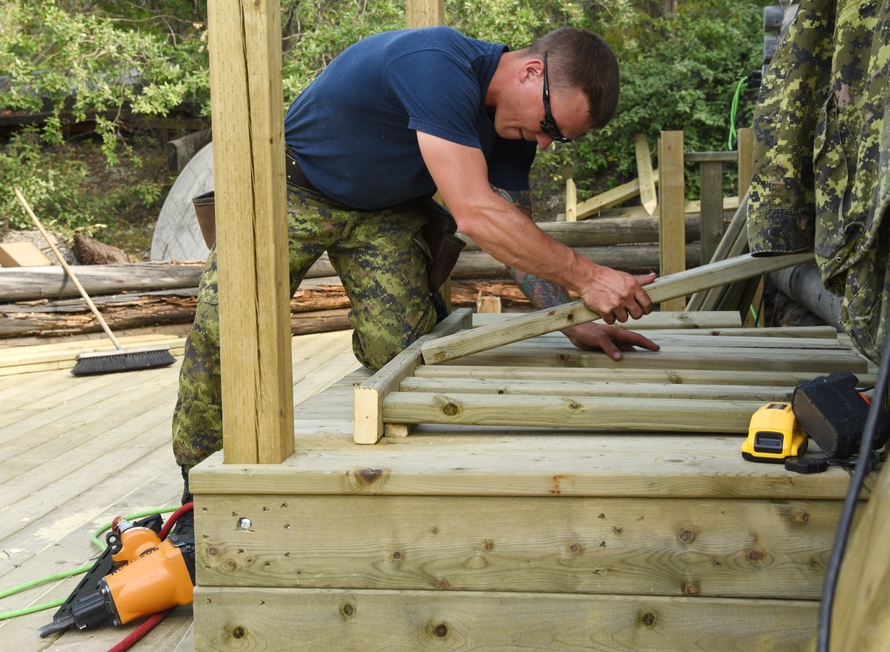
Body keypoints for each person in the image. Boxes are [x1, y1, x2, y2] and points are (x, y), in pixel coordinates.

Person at [170, 26, 660, 522]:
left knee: (401, 353)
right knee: (225, 330)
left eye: (558, 139)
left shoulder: (512, 129)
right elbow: (474, 211)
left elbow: (514, 231)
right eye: (550, 127)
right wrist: (588, 276)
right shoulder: (436, 63)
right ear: (532, 73)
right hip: (292, 187)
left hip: (386, 211)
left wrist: (570, 319)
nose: (545, 143)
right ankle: (195, 495)